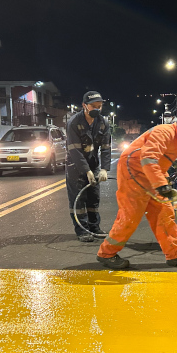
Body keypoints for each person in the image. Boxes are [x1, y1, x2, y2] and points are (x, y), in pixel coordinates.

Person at [96, 112, 177, 270]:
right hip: (133, 170)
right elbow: (148, 157)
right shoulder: (164, 132)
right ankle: (106, 254)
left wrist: (163, 181)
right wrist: (162, 185)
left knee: (164, 213)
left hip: (148, 173)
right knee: (131, 215)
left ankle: (175, 255)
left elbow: (159, 162)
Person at [65, 91, 112, 242]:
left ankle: (94, 227)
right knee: (78, 200)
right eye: (93, 106)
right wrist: (86, 171)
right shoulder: (74, 122)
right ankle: (81, 230)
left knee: (93, 197)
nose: (97, 109)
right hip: (75, 165)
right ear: (84, 106)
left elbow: (106, 147)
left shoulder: (103, 122)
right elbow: (75, 151)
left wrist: (104, 168)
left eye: (99, 106)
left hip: (94, 163)